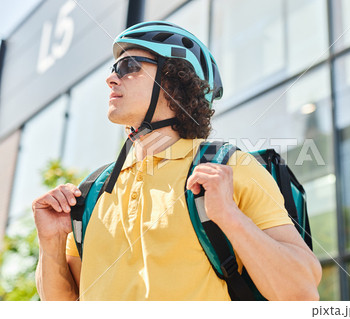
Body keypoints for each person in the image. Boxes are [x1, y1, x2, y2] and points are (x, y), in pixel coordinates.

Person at [32, 21, 321, 301]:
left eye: (129, 66)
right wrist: (51, 244)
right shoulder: (94, 191)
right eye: (113, 69)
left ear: (174, 80)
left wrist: (230, 217)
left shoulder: (230, 168)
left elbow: (301, 293)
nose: (111, 78)